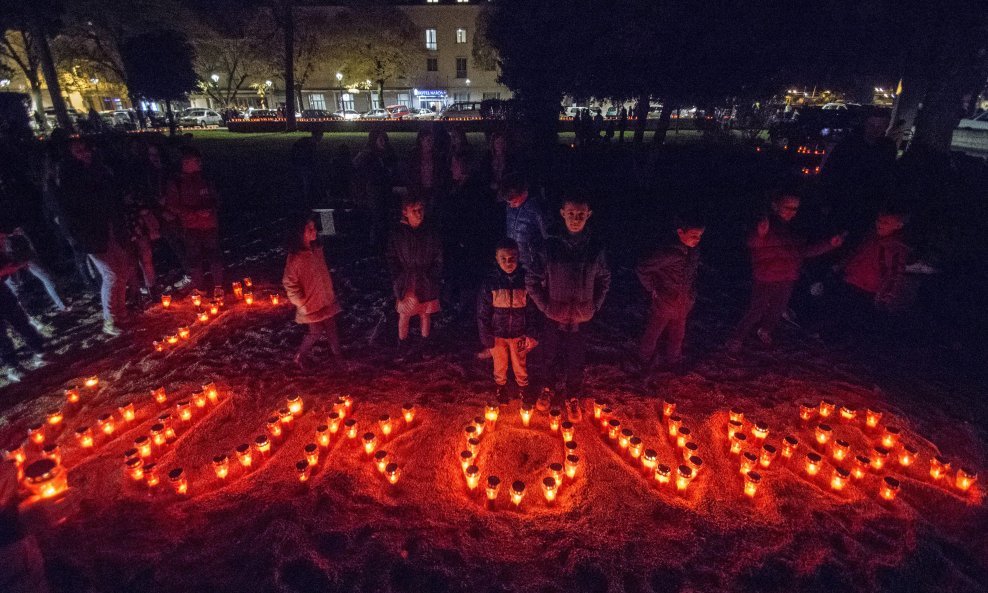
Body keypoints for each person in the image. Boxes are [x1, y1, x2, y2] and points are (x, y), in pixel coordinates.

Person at [527, 196, 611, 415]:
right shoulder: (550, 246)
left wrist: (594, 306)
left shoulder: (595, 247)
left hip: (582, 315)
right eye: (571, 214)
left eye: (581, 215)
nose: (576, 220)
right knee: (549, 353)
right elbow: (532, 279)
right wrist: (545, 307)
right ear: (562, 213)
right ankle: (547, 388)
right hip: (554, 313)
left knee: (576, 357)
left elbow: (604, 278)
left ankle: (573, 394)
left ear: (588, 215)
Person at [728, 192, 844, 350]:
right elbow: (752, 243)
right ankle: (737, 337)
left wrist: (829, 244)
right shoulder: (766, 224)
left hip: (787, 277)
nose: (791, 211)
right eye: (787, 207)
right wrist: (760, 234)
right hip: (766, 276)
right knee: (757, 309)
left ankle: (766, 330)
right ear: (775, 206)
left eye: (795, 208)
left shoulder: (795, 230)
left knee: (779, 307)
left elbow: (804, 252)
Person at [56, 138, 129, 335]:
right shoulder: (69, 179)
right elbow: (67, 213)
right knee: (111, 275)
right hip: (92, 235)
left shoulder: (101, 170)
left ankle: (121, 314)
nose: (84, 153)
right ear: (70, 155)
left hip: (112, 228)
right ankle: (109, 320)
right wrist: (76, 238)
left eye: (86, 148)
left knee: (122, 271)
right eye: (78, 150)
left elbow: (113, 197)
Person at [635, 217, 704, 373]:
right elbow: (643, 267)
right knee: (654, 332)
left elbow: (691, 275)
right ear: (680, 232)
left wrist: (691, 294)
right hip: (665, 302)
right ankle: (643, 358)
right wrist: (653, 288)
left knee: (678, 334)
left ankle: (673, 360)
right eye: (693, 235)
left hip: (683, 302)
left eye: (700, 236)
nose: (697, 239)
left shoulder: (692, 252)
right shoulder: (669, 253)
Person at [477, 238, 540, 401]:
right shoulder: (490, 283)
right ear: (496, 259)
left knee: (520, 362)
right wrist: (486, 337)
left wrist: (531, 333)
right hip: (497, 334)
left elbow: (532, 311)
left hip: (519, 333)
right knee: (500, 363)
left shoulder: (525, 281)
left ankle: (523, 387)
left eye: (512, 258)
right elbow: (483, 313)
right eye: (503, 259)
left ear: (518, 257)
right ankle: (500, 387)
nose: (508, 262)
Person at [282, 215, 343, 371]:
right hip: (310, 303)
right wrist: (300, 300)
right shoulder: (295, 258)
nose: (314, 230)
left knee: (331, 327)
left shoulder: (316, 249)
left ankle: (338, 357)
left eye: (314, 227)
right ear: (299, 233)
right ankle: (300, 356)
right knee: (315, 332)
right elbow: (289, 282)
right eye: (310, 229)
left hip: (325, 297)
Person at [387, 196, 443, 361]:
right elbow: (391, 258)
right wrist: (398, 278)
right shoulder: (397, 234)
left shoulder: (431, 233)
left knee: (425, 313)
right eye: (414, 211)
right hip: (407, 280)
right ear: (405, 212)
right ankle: (402, 344)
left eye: (421, 210)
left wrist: (433, 276)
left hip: (426, 279)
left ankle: (425, 343)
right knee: (404, 314)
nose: (419, 214)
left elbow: (439, 257)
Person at [163, 146, 222, 292]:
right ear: (186, 163)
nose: (200, 163)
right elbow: (172, 205)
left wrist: (211, 209)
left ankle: (218, 287)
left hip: (210, 225)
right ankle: (200, 289)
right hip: (190, 228)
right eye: (196, 161)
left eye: (199, 160)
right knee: (195, 259)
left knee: (215, 257)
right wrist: (194, 213)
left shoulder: (206, 178)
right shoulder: (177, 182)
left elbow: (217, 198)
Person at [836, 210, 910, 326]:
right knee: (840, 315)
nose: (879, 224)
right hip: (850, 279)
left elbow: (895, 274)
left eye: (885, 222)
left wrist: (886, 297)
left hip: (867, 288)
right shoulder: (871, 236)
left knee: (855, 321)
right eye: (878, 221)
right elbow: (856, 253)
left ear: (898, 225)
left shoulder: (896, 247)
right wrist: (842, 266)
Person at [0, 256, 45, 382]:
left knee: (22, 324)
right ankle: (12, 367)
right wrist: (6, 270)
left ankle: (40, 352)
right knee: (1, 337)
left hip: (3, 293)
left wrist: (13, 265)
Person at [353, 130, 395, 249]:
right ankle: (374, 248)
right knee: (375, 224)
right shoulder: (368, 156)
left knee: (379, 224)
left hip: (380, 196)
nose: (383, 142)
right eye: (380, 140)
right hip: (372, 197)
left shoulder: (384, 155)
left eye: (384, 139)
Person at [502, 172, 546, 270]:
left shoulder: (537, 209)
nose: (510, 204)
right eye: (508, 202)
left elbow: (547, 239)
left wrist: (541, 263)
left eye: (514, 201)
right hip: (515, 263)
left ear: (524, 192)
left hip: (532, 264)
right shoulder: (510, 207)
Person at [291, 129, 326, 208]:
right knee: (307, 182)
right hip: (302, 164)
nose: (321, 138)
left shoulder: (309, 142)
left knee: (307, 181)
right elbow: (311, 158)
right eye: (320, 136)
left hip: (301, 163)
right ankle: (307, 202)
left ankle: (308, 199)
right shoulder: (310, 144)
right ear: (315, 135)